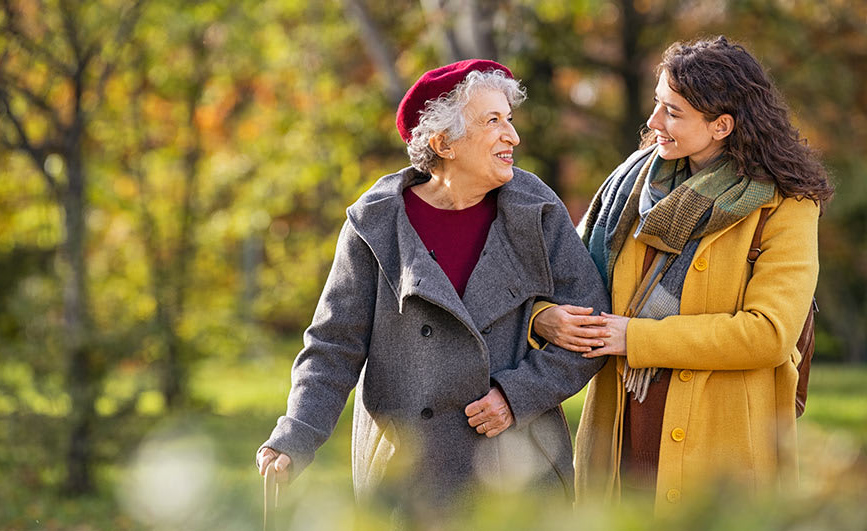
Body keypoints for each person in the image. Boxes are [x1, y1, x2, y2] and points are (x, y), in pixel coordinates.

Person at [255, 60, 610, 516]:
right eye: (493, 121)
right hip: (409, 474)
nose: (512, 136)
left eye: (509, 119)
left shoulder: (536, 209)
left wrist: (517, 394)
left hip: (519, 469)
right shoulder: (376, 223)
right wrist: (296, 434)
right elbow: (333, 345)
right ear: (443, 143)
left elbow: (592, 326)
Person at [532, 36, 833, 513]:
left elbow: (769, 334)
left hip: (723, 448)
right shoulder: (628, 190)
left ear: (721, 125)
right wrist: (545, 317)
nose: (653, 123)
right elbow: (561, 281)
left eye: (672, 112)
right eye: (657, 104)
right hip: (621, 433)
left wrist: (638, 338)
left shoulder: (787, 206)